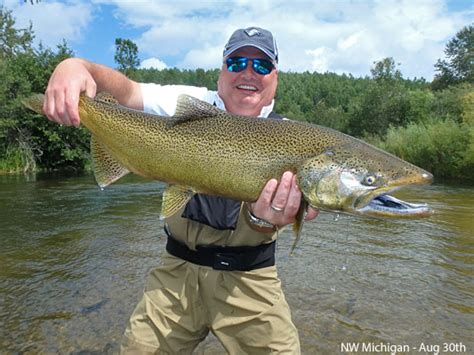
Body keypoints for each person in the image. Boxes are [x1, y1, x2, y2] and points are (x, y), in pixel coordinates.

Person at [44, 26, 318, 354]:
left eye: (261, 66)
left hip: (250, 280)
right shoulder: (189, 105)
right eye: (237, 63)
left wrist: (265, 220)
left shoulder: (288, 137)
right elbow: (126, 91)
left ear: (275, 77)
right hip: (175, 275)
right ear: (221, 72)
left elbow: (311, 208)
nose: (248, 73)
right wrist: (76, 67)